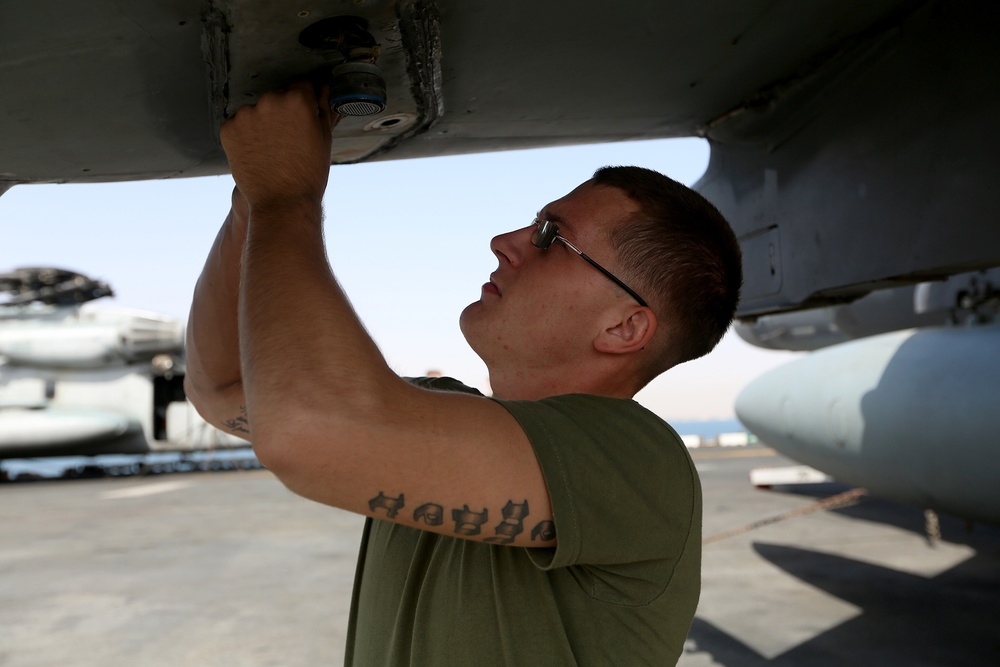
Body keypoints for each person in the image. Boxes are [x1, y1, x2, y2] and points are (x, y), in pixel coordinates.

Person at [185, 82, 742, 666]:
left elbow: (305, 429)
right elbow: (219, 386)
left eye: (553, 238)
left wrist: (285, 195)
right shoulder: (417, 419)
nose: (504, 242)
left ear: (624, 328)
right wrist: (252, 198)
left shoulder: (637, 460)